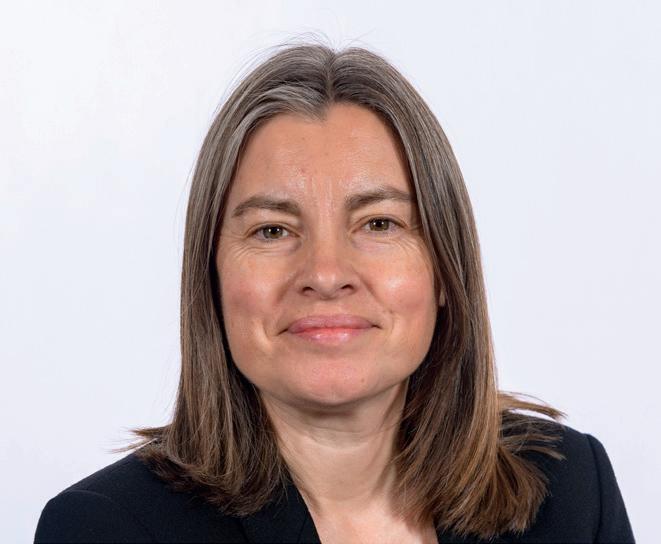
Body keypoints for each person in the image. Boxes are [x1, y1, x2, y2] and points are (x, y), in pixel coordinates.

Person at [34, 41, 635, 544]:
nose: (325, 273)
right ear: (211, 280)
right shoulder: (105, 528)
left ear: (445, 270)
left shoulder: (570, 494)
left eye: (379, 224)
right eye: (273, 230)